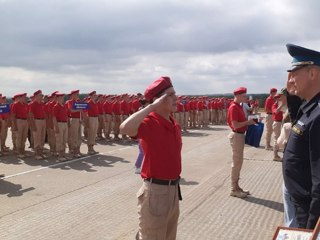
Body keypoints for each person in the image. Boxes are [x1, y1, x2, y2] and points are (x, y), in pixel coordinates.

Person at [120, 76, 182, 240]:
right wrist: (151, 107)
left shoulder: (173, 123)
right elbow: (125, 128)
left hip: (173, 190)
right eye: (170, 94)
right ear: (158, 100)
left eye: (175, 93)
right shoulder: (149, 122)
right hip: (156, 193)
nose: (176, 97)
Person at [283, 43, 320, 229]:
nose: (290, 80)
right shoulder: (310, 106)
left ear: (312, 73)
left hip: (307, 211)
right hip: (298, 201)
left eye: (294, 73)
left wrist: (311, 226)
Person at [227, 87, 256, 198]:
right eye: (244, 96)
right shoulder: (234, 107)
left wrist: (251, 119)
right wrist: (249, 122)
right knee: (236, 163)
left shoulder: (238, 106)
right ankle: (233, 189)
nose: (245, 97)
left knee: (239, 163)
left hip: (239, 135)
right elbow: (235, 125)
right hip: (237, 135)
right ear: (237, 96)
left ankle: (237, 186)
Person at [271, 93, 286, 162]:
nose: (279, 99)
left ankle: (277, 154)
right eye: (278, 98)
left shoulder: (281, 105)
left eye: (280, 98)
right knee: (276, 139)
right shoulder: (274, 105)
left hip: (281, 122)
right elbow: (276, 112)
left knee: (281, 138)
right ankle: (275, 155)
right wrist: (281, 105)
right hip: (277, 123)